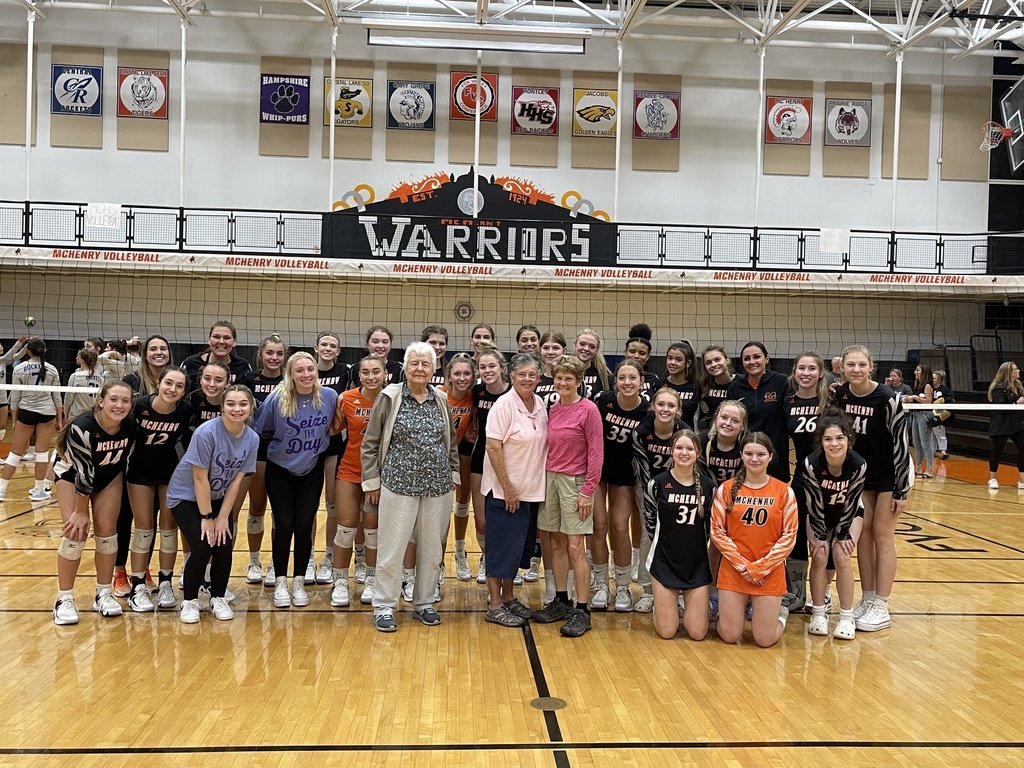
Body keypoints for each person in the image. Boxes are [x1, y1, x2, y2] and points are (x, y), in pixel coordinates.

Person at [361, 341, 459, 633]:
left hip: (437, 486)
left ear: (434, 369)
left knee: (431, 550)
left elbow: (450, 441)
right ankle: (384, 605)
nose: (419, 368)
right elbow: (370, 442)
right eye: (414, 363)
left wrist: (454, 474)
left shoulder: (441, 399)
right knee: (391, 548)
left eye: (425, 364)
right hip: (397, 484)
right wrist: (372, 482)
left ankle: (424, 602)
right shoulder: (389, 397)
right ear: (405, 367)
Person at [254, 352, 339, 609]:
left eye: (310, 369)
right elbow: (259, 430)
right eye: (299, 370)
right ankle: (281, 581)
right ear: (290, 374)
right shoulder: (277, 398)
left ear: (316, 372)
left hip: (311, 470)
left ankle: (299, 581)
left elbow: (335, 428)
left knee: (303, 526)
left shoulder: (329, 397)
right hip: (279, 470)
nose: (306, 374)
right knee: (283, 525)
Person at [836, 344, 912, 632]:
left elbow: (901, 445)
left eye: (861, 365)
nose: (856, 369)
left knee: (882, 535)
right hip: (860, 477)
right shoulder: (840, 395)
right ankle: (867, 598)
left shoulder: (888, 399)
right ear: (842, 367)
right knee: (863, 537)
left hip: (889, 477)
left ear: (871, 367)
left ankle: (882, 604)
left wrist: (901, 489)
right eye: (851, 365)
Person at [167, 384, 258, 624]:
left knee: (224, 542)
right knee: (203, 545)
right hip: (185, 496)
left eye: (243, 404)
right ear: (222, 407)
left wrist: (223, 517)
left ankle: (218, 597)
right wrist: (207, 518)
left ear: (250, 408)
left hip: (218, 497)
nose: (237, 409)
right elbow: (199, 478)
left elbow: (237, 481)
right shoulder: (206, 433)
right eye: (231, 404)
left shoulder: (252, 438)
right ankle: (189, 601)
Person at [50, 382, 137, 625]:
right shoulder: (83, 426)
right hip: (71, 476)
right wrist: (81, 511)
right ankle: (64, 598)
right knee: (75, 533)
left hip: (108, 475)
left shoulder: (130, 424)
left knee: (108, 533)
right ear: (101, 401)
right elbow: (84, 473)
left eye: (125, 401)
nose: (119, 405)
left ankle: (103, 593)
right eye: (113, 399)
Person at [534, 355, 603, 638]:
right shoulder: (552, 409)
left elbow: (596, 453)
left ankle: (582, 609)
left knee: (576, 546)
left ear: (578, 381)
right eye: (559, 378)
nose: (562, 383)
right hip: (550, 479)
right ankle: (561, 600)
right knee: (556, 543)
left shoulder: (589, 410)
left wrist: (587, 491)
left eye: (568, 379)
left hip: (576, 483)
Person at [710, 432, 798, 648]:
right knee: (730, 635)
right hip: (734, 570)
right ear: (741, 455)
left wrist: (759, 569)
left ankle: (780, 614)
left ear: (770, 456)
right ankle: (728, 614)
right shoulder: (726, 489)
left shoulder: (784, 492)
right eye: (749, 453)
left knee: (764, 640)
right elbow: (717, 532)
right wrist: (744, 566)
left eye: (760, 454)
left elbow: (789, 536)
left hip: (769, 571)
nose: (754, 459)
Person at [482, 353, 549, 627]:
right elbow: (492, 447)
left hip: (530, 492)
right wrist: (507, 488)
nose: (527, 379)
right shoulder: (503, 405)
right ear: (511, 377)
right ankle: (495, 605)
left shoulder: (540, 403)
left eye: (532, 375)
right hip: (504, 494)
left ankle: (508, 597)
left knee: (516, 550)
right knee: (500, 549)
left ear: (539, 378)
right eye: (522, 374)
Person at [124, 368, 193, 612]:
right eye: (168, 383)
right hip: (140, 473)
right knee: (143, 529)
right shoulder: (139, 406)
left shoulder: (185, 411)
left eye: (179, 386)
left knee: (168, 529)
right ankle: (138, 586)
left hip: (171, 475)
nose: (172, 389)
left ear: (184, 391)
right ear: (158, 382)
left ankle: (165, 583)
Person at [800, 414, 867, 641]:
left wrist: (842, 534)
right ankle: (819, 613)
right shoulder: (811, 464)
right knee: (819, 555)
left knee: (841, 555)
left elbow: (852, 502)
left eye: (839, 438)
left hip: (849, 514)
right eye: (828, 439)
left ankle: (846, 617)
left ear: (849, 439)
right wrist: (820, 536)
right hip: (818, 514)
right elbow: (813, 503)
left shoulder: (858, 464)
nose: (834, 444)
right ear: (821, 442)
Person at [592, 359, 650, 612]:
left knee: (619, 527)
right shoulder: (603, 401)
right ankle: (602, 585)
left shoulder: (647, 410)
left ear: (641, 382)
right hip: (598, 472)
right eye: (622, 378)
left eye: (632, 378)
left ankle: (623, 586)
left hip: (626, 476)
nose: (627, 382)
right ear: (615, 381)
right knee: (598, 525)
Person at [646, 429, 715, 641]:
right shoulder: (657, 484)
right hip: (665, 561)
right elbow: (650, 521)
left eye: (690, 449)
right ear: (671, 451)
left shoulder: (708, 487)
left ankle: (689, 606)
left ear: (698, 453)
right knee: (667, 632)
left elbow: (710, 526)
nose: (684, 453)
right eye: (679, 448)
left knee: (697, 633)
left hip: (696, 563)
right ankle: (663, 606)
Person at [329, 354, 386, 608]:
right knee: (346, 526)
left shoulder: (393, 398)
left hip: (380, 475)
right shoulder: (346, 399)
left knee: (373, 529)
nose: (371, 376)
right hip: (350, 470)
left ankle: (372, 579)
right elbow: (332, 429)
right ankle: (340, 580)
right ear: (359, 374)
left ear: (385, 374)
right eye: (366, 372)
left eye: (376, 371)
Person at [782, 351, 832, 612]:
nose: (806, 373)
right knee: (797, 534)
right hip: (801, 477)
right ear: (794, 372)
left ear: (820, 373)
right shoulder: (788, 402)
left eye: (812, 368)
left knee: (828, 534)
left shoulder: (831, 401)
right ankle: (797, 593)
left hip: (830, 480)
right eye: (801, 368)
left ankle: (825, 593)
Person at [632, 387, 685, 613]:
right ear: (653, 406)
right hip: (647, 488)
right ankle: (647, 590)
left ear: (678, 410)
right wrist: (652, 498)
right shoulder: (641, 431)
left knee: (678, 538)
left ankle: (679, 591)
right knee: (649, 536)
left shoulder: (684, 433)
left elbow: (686, 467)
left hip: (678, 488)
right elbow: (643, 469)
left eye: (671, 405)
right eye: (661, 404)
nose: (665, 409)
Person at [240, 334, 287, 586]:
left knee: (280, 511)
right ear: (260, 354)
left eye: (279, 353)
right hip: (256, 450)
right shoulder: (248, 379)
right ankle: (254, 561)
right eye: (269, 352)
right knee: (257, 507)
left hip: (282, 451)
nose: (274, 358)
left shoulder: (289, 381)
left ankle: (276, 564)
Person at [0, 338, 63, 503]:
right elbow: (57, 396)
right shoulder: (52, 369)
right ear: (45, 350)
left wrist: (14, 420)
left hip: (27, 412)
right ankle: (38, 490)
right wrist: (59, 419)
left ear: (27, 351)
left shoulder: (19, 368)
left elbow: (15, 396)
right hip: (47, 413)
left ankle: (1, 490)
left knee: (15, 453)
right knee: (41, 453)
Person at [468, 346, 510, 585]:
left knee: (505, 518)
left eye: (492, 366)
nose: (487, 370)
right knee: (482, 519)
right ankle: (487, 560)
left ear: (502, 367)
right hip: (480, 459)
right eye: (482, 367)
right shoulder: (477, 392)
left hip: (508, 462)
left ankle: (506, 564)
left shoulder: (514, 392)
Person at [314, 330, 350, 586]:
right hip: (306, 445)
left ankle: (328, 556)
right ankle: (306, 559)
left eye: (332, 346)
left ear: (338, 351)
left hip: (334, 444)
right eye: (324, 345)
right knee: (308, 505)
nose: (328, 349)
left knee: (332, 504)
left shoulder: (345, 373)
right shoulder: (306, 369)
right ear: (316, 348)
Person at [727, 342, 789, 482]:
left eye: (756, 357)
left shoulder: (781, 382)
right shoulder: (735, 387)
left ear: (766, 359)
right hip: (746, 455)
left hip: (776, 455)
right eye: (747, 358)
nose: (752, 362)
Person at [443, 354, 477, 584]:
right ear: (449, 376)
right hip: (437, 458)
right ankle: (437, 562)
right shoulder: (440, 395)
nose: (462, 378)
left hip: (459, 454)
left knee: (463, 502)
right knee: (441, 509)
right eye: (457, 374)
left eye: (467, 374)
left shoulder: (474, 398)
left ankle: (460, 551)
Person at [180, 320, 251, 389]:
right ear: (209, 340)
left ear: (234, 342)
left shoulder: (242, 366)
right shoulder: (191, 363)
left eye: (226, 338)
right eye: (216, 337)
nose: (221, 342)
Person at [987, 361, 1024, 491]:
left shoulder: (1019, 386)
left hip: (1016, 423)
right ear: (1009, 372)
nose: (1018, 371)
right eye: (1015, 369)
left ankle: (1022, 481)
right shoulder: (998, 388)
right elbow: (1002, 407)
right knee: (997, 451)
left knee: (1023, 449)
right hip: (1001, 424)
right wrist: (1017, 404)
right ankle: (992, 479)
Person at [906, 364, 935, 479]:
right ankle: (918, 467)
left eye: (917, 370)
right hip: (915, 415)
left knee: (925, 443)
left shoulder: (927, 385)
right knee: (916, 443)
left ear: (924, 372)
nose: (915, 372)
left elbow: (928, 401)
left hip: (924, 415)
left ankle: (930, 469)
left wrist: (914, 397)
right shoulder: (917, 385)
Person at [661, 340, 699, 427]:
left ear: (688, 363)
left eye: (678, 360)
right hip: (663, 432)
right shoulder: (659, 384)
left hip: (687, 433)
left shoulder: (696, 386)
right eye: (670, 358)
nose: (672, 362)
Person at [697, 345, 735, 430]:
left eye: (717, 359)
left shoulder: (741, 382)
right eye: (708, 363)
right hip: (713, 431)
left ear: (727, 360)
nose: (713, 364)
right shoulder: (703, 386)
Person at [64, 348, 105, 421]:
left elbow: (68, 399)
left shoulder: (75, 376)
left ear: (82, 360)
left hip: (76, 416)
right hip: (91, 417)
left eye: (78, 356)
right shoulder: (101, 379)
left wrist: (66, 414)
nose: (76, 358)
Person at [0, 335, 28, 441]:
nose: (1, 347)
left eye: (1, 345)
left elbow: (18, 356)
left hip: (2, 399)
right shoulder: (2, 359)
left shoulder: (3, 362)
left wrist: (27, 345)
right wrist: (19, 342)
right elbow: (8, 356)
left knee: (2, 429)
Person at [623, 323, 661, 396]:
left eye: (642, 353)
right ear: (625, 353)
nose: (636, 356)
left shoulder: (653, 379)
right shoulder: (614, 378)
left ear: (648, 356)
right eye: (632, 351)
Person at [573, 329, 611, 399]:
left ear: (596, 350)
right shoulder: (564, 370)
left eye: (592, 347)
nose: (586, 349)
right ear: (575, 345)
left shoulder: (603, 374)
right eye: (582, 344)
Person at [535, 330, 567, 408]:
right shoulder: (535, 381)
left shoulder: (572, 380)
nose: (550, 352)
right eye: (546, 348)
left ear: (564, 351)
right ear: (540, 350)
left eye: (555, 348)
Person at [930, 370, 952, 460]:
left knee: (940, 431)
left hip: (939, 414)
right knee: (931, 433)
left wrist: (943, 399)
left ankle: (943, 451)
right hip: (930, 413)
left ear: (939, 380)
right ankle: (932, 450)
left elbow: (951, 399)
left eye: (934, 378)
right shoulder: (929, 388)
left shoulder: (945, 389)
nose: (932, 380)